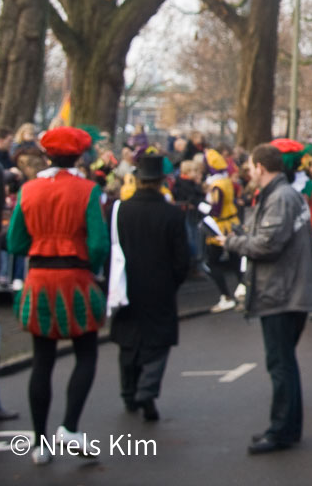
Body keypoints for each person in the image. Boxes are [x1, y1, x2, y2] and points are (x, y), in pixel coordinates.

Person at [6, 127, 109, 465]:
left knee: (42, 359)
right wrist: (90, 266)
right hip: (75, 276)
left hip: (39, 278)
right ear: (79, 155)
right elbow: (98, 245)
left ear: (47, 155)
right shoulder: (87, 190)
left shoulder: (29, 189)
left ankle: (39, 443)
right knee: (86, 353)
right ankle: (70, 427)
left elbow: (16, 243)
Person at [220, 143, 312, 454]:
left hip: (281, 292)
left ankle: (281, 431)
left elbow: (267, 244)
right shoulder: (287, 194)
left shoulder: (280, 197)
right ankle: (285, 428)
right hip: (288, 289)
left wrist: (232, 241)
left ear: (261, 167)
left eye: (250, 167)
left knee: (280, 364)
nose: (248, 172)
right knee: (284, 363)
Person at [108, 154, 189, 422]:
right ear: (161, 182)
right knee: (158, 342)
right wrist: (173, 281)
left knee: (129, 341)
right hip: (160, 285)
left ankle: (128, 392)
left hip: (127, 284)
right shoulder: (172, 214)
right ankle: (147, 389)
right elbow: (182, 259)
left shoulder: (121, 210)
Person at [200, 148, 242, 311]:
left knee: (213, 262)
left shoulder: (217, 184)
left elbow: (215, 210)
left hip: (219, 227)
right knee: (234, 260)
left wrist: (201, 206)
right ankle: (243, 291)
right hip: (230, 224)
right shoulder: (225, 180)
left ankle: (227, 296)